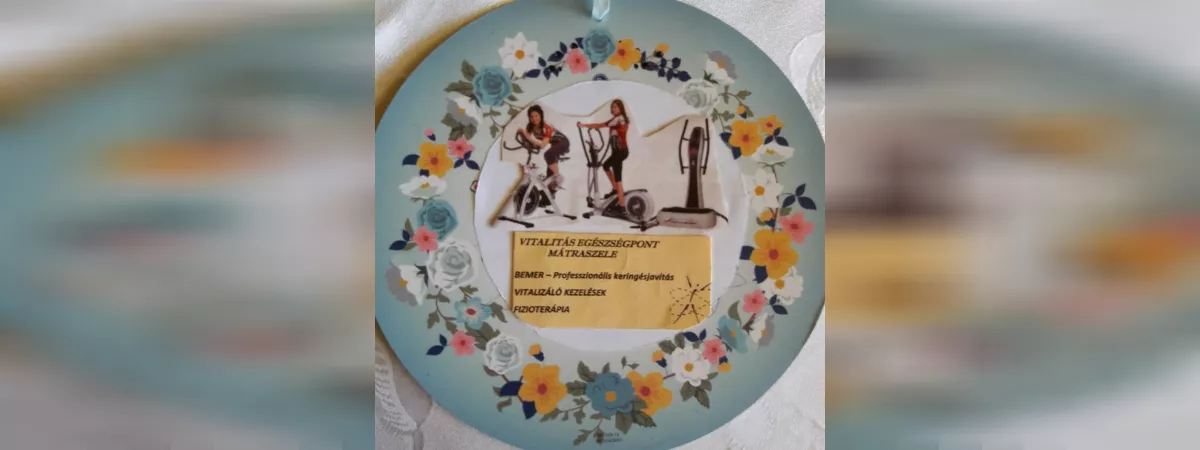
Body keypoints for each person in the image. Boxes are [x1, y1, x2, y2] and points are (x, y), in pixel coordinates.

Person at [577, 99, 631, 213]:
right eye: (612, 107)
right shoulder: (615, 120)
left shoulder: (620, 119)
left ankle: (622, 207)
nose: (613, 109)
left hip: (621, 151)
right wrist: (584, 125)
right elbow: (600, 125)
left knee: (618, 178)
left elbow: (623, 128)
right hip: (617, 152)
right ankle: (616, 189)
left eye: (615, 107)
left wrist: (616, 127)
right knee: (606, 165)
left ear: (620, 108)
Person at [517, 105, 569, 198]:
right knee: (549, 174)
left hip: (562, 142)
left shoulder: (547, 127)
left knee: (548, 154)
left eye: (536, 116)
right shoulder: (530, 127)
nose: (534, 119)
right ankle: (548, 198)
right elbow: (531, 141)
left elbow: (542, 144)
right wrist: (524, 136)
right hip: (553, 145)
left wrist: (527, 135)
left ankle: (558, 177)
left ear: (541, 115)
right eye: (531, 117)